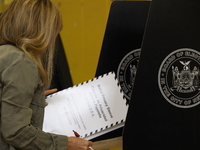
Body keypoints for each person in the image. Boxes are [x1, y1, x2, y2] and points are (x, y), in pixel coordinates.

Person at [0, 0, 93, 150]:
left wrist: (31, 97)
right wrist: (65, 144)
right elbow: (16, 132)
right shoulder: (21, 61)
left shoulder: (5, 54)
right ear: (42, 31)